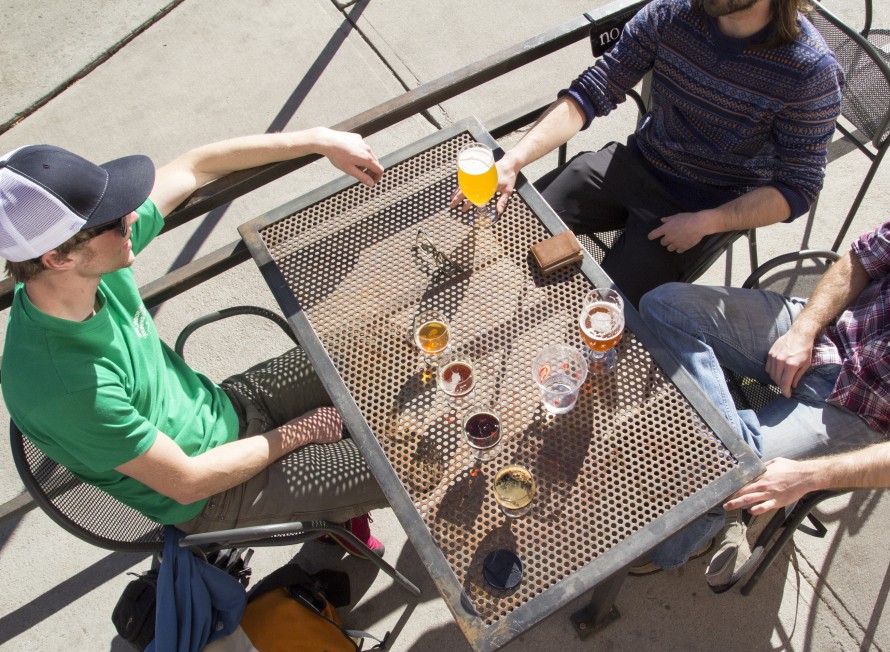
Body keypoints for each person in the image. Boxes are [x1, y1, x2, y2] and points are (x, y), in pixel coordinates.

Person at [0, 128, 391, 556]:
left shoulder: (87, 268)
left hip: (229, 406)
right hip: (217, 493)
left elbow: (195, 166)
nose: (132, 218)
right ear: (58, 258)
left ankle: (339, 508)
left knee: (381, 350)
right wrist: (299, 433)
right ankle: (340, 513)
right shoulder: (65, 386)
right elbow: (187, 481)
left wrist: (319, 140)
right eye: (113, 221)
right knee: (407, 461)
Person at [635, 178, 890, 590]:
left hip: (866, 412)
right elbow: (864, 256)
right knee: (665, 306)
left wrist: (807, 477)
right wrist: (804, 329)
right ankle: (734, 468)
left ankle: (682, 536)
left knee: (708, 477)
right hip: (832, 331)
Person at [453, 0, 843, 305]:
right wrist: (512, 161)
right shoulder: (672, 13)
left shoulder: (809, 70)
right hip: (639, 160)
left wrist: (706, 222)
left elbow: (799, 187)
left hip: (703, 207)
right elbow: (595, 89)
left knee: (604, 311)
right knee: (512, 223)